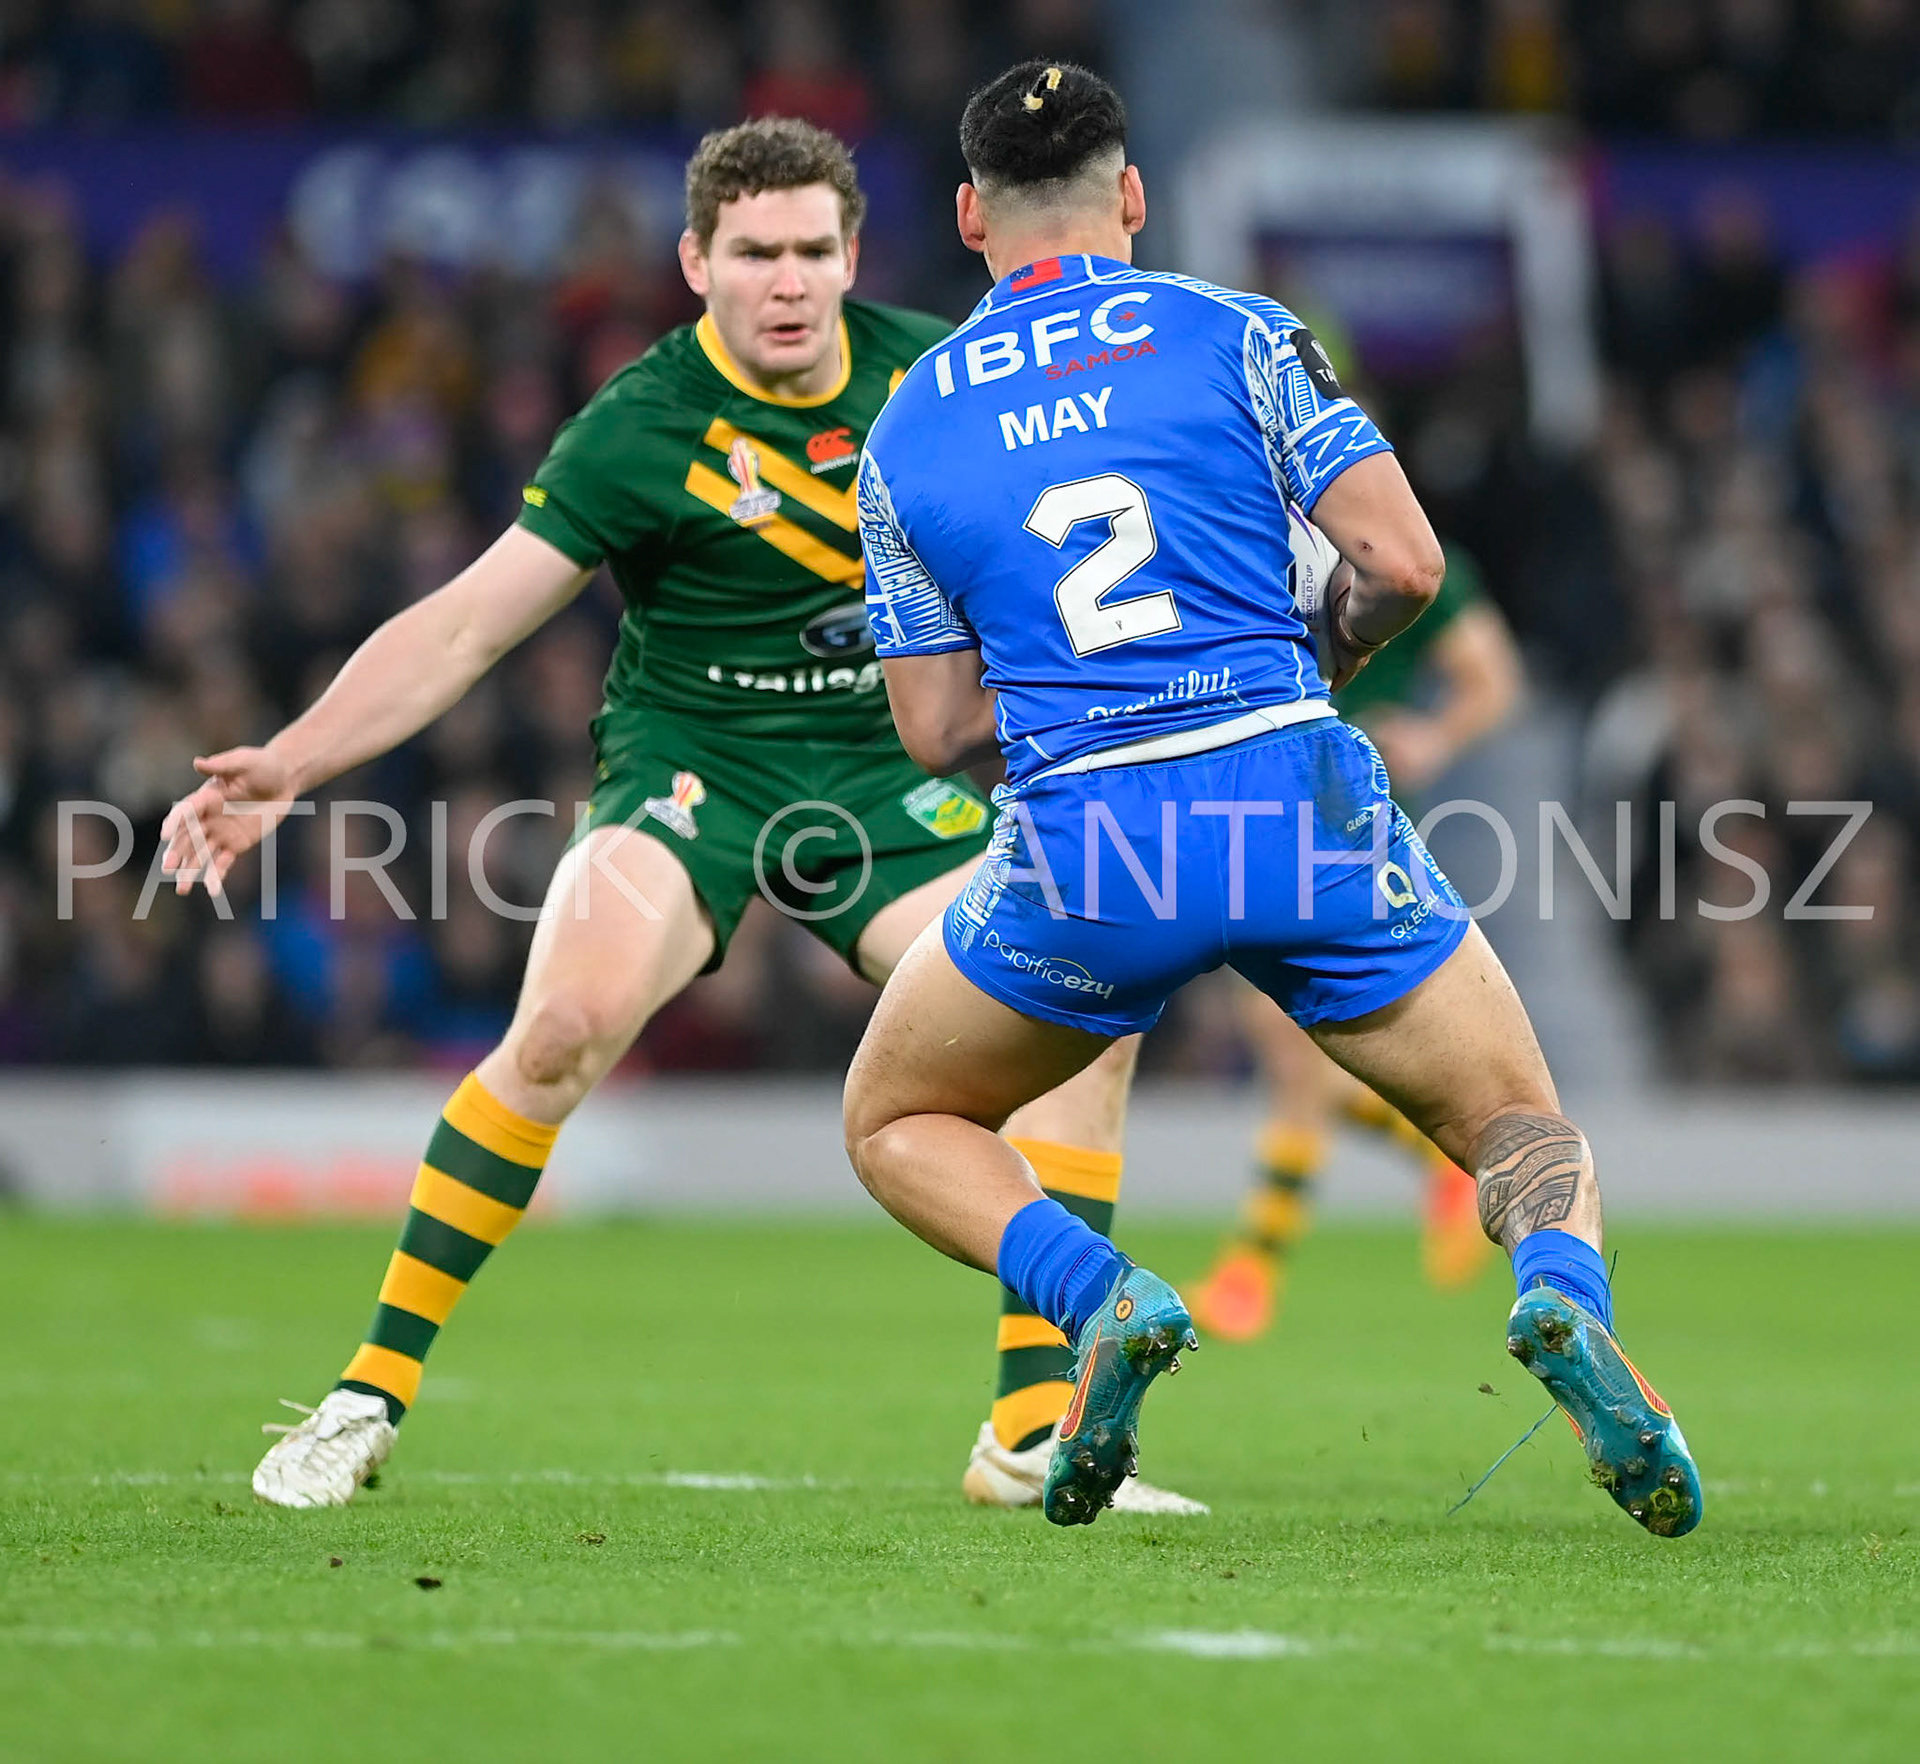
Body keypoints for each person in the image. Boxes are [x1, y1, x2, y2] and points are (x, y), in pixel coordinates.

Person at [161, 117, 1197, 1517]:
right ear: (695, 262)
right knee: (567, 1023)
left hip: (887, 778)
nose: (787, 282)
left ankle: (1027, 1433)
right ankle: (368, 1392)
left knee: (1082, 1018)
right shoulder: (641, 427)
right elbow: (469, 627)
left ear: (853, 258)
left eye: (813, 252)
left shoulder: (938, 380)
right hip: (692, 771)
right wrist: (290, 761)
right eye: (755, 253)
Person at [843, 61, 1702, 1535]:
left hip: (1088, 841)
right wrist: (1325, 652)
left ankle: (1102, 1299)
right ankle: (1562, 1303)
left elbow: (930, 731)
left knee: (896, 1119)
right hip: (1291, 792)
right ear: (1131, 196)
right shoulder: (1238, 335)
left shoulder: (906, 430)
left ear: (974, 217)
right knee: (1523, 1133)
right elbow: (1409, 566)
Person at [1189, 546, 1525, 1342]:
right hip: (1247, 805)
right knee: (1288, 1044)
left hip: (1338, 811)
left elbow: (1494, 676)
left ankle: (1252, 1268)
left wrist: (1432, 738)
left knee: (1287, 1043)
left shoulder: (1393, 547)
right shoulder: (1241, 522)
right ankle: (1442, 1159)